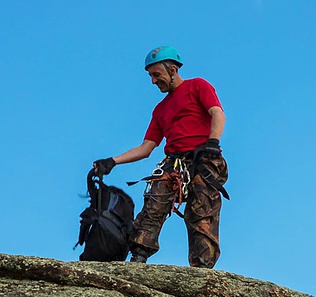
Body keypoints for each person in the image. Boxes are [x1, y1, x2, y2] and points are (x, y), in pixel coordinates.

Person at [93, 45, 229, 268]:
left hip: (204, 159)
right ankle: (138, 257)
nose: (153, 81)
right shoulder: (160, 109)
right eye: (150, 76)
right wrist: (112, 162)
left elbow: (217, 114)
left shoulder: (198, 86)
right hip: (174, 162)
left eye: (157, 75)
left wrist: (212, 143)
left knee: (201, 214)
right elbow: (147, 147)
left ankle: (202, 269)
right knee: (153, 204)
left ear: (173, 69)